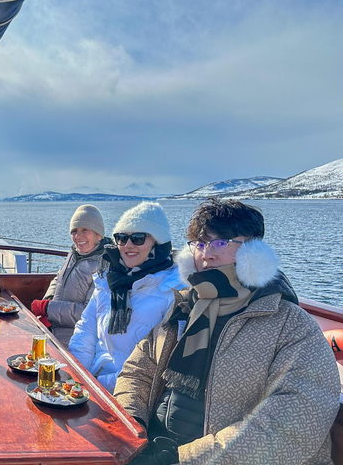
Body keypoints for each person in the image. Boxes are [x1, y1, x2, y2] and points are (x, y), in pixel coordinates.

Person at [114, 199, 339, 465]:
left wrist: (181, 459)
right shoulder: (186, 306)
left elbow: (290, 426)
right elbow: (138, 370)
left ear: (254, 253)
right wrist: (133, 426)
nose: (206, 253)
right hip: (154, 448)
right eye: (199, 244)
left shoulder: (291, 326)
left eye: (220, 242)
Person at [69, 202, 184, 392]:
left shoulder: (173, 291)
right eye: (121, 238)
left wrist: (95, 387)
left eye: (138, 238)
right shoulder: (109, 280)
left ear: (158, 242)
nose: (128, 245)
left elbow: (153, 365)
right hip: (91, 384)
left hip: (130, 393)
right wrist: (76, 376)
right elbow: (85, 332)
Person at [30, 204, 108, 343]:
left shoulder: (104, 265)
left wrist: (48, 308)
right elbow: (58, 278)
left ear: (99, 235)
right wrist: (48, 299)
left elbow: (89, 313)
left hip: (75, 339)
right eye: (74, 231)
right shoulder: (74, 254)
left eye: (85, 230)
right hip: (54, 328)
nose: (78, 236)